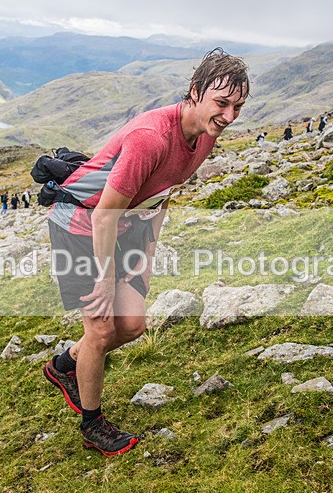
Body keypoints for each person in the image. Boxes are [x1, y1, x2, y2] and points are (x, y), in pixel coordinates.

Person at [42, 47, 249, 457]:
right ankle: (92, 424)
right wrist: (104, 278)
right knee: (101, 331)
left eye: (237, 107)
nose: (228, 116)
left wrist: (147, 257)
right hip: (81, 223)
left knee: (132, 325)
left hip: (126, 225)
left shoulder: (204, 136)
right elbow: (102, 215)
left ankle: (66, 364)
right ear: (195, 91)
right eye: (222, 103)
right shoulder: (150, 138)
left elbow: (162, 197)